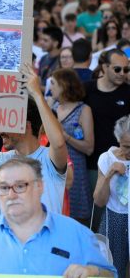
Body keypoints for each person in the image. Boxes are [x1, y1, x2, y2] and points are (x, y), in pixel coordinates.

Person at [0, 157, 117, 278]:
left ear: (40, 186)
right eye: (4, 188)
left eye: (20, 186)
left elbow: (110, 274)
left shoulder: (77, 234)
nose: (11, 195)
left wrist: (93, 272)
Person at [0, 63, 68, 214]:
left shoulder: (49, 159)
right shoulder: (0, 159)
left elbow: (58, 143)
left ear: (25, 125)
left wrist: (37, 94)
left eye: (5, 123)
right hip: (8, 237)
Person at [49, 68, 94, 223]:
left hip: (75, 170)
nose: (50, 88)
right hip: (54, 168)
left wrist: (65, 136)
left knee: (76, 217)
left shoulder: (83, 110)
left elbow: (89, 148)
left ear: (64, 85)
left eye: (53, 83)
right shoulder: (51, 106)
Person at [84, 49, 130, 188]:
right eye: (117, 69)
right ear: (105, 67)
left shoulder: (128, 92)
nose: (122, 73)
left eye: (126, 69)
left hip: (122, 164)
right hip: (91, 164)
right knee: (95, 206)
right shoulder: (86, 89)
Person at [94, 114, 130, 277]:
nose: (129, 152)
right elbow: (99, 201)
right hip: (114, 219)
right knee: (111, 270)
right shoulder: (107, 159)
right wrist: (110, 174)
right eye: (126, 146)